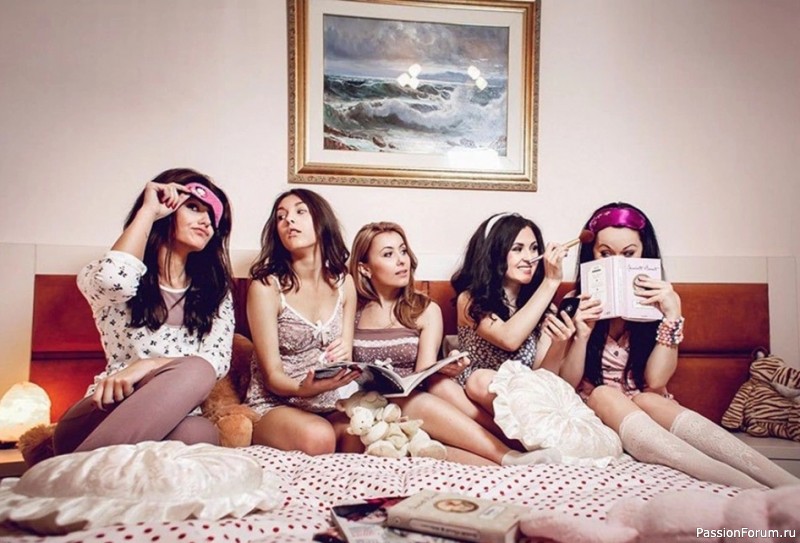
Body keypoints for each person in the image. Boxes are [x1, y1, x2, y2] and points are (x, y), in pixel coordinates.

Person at [559, 202, 798, 488]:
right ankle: (749, 488)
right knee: (604, 394)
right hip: (597, 408)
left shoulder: (659, 303)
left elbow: (656, 381)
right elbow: (565, 384)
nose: (617, 263)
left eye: (629, 253)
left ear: (644, 253)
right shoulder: (574, 303)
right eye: (606, 253)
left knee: (649, 398)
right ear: (592, 254)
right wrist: (582, 334)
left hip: (647, 409)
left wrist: (672, 314)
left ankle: (788, 485)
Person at [53, 168, 235, 454]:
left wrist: (149, 365)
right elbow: (113, 280)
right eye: (193, 207)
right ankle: (74, 471)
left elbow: (217, 362)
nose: (206, 222)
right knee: (197, 369)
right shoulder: (105, 273)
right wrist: (149, 210)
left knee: (199, 433)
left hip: (175, 420)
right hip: (101, 413)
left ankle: (99, 476)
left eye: (213, 218)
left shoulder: (215, 292)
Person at [349, 221, 555, 465]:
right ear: (364, 269)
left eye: (403, 251)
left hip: (414, 401)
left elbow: (424, 373)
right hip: (364, 406)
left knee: (431, 392)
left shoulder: (425, 309)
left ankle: (510, 455)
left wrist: (443, 368)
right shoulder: (353, 309)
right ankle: (510, 456)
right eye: (388, 254)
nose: (402, 260)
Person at [428, 213, 573, 437]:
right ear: (493, 253)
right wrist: (551, 281)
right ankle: (517, 440)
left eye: (535, 248)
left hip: (526, 404)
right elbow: (509, 339)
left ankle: (526, 436)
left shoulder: (543, 306)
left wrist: (559, 345)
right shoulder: (470, 300)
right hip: (476, 399)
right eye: (517, 249)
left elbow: (544, 378)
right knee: (477, 380)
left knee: (528, 387)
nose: (530, 258)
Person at [244, 189, 362, 455]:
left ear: (322, 221)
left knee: (360, 433)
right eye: (281, 217)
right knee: (318, 437)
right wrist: (302, 388)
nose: (289, 220)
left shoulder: (345, 283)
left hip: (330, 401)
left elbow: (346, 355)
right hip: (277, 402)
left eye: (300, 212)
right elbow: (272, 376)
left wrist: (344, 355)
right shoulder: (266, 287)